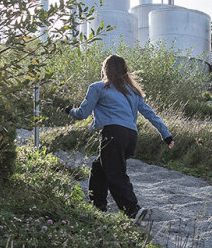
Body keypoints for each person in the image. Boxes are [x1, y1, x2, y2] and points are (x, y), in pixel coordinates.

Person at [64, 54, 175, 219]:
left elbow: (82, 114)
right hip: (131, 137)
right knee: (99, 168)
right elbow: (151, 114)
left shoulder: (98, 87)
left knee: (116, 173)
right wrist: (166, 135)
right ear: (124, 71)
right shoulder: (133, 92)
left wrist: (69, 110)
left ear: (105, 69)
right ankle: (98, 207)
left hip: (114, 134)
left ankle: (132, 210)